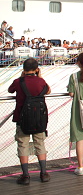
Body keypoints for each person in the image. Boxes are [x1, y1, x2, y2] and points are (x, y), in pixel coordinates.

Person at [8, 57, 51, 185]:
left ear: (23, 69)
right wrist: (40, 76)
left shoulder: (18, 82)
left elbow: (10, 90)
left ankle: (25, 175)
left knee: (23, 145)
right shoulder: (41, 81)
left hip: (22, 119)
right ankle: (43, 173)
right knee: (40, 144)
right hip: (39, 119)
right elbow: (48, 90)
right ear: (37, 69)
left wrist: (21, 78)